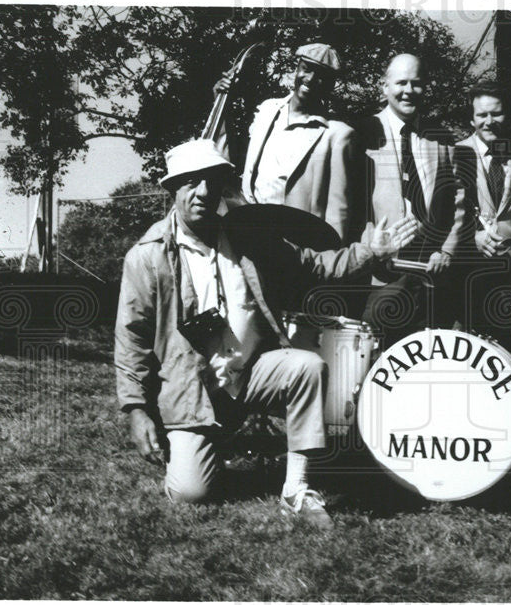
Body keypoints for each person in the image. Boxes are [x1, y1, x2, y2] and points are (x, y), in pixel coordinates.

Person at [114, 139, 416, 529]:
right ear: (173, 188)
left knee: (306, 366)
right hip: (192, 391)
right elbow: (131, 337)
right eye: (191, 182)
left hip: (250, 375)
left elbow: (315, 265)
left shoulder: (247, 236)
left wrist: (371, 252)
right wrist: (136, 410)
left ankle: (297, 489)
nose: (203, 192)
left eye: (212, 182)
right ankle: (194, 447)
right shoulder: (148, 256)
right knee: (192, 494)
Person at [356, 53, 468, 341]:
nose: (408, 91)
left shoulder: (441, 139)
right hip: (379, 275)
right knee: (376, 359)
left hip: (430, 277)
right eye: (401, 82)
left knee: (425, 364)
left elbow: (457, 204)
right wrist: (372, 248)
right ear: (384, 86)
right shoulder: (361, 134)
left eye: (416, 83)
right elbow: (349, 204)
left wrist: (446, 251)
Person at [214, 42, 361, 242]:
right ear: (297, 68)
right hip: (248, 228)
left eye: (322, 77)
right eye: (306, 69)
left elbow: (338, 212)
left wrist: (332, 261)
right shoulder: (267, 110)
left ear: (331, 85)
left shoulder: (338, 135)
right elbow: (232, 159)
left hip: (297, 244)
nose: (310, 79)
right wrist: (221, 104)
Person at [454, 83, 511, 353]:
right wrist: (470, 236)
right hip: (468, 274)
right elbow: (443, 215)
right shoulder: (454, 153)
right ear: (471, 119)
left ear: (506, 115)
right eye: (481, 115)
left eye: (496, 114)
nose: (489, 122)